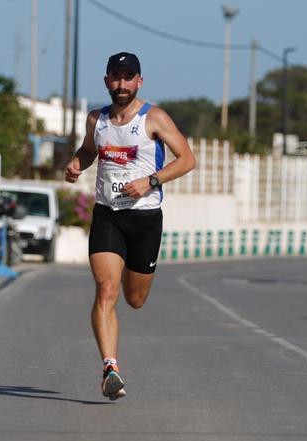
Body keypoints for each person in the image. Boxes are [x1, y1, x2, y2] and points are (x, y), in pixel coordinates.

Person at [64, 52, 195, 401]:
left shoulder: (154, 118)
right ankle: (110, 367)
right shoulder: (97, 119)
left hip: (145, 219)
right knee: (106, 290)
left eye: (128, 77)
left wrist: (151, 181)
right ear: (106, 80)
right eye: (115, 77)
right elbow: (90, 149)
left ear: (139, 81)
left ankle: (131, 284)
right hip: (108, 214)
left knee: (134, 299)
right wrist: (78, 162)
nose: (121, 84)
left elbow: (187, 159)